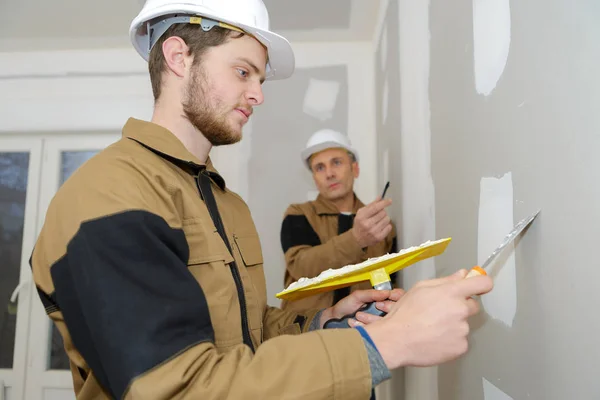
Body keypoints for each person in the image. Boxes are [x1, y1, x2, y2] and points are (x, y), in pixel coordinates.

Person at [30, 0, 494, 399]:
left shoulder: (225, 202)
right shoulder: (111, 193)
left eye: (260, 78)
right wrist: (387, 344)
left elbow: (243, 332)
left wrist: (323, 322)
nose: (257, 94)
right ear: (178, 57)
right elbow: (175, 388)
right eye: (242, 71)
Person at [280, 129, 397, 313]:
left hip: (365, 331)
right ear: (314, 179)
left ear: (355, 169)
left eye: (336, 162)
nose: (329, 174)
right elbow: (302, 267)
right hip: (309, 332)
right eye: (320, 167)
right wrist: (356, 240)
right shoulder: (298, 214)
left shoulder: (380, 226)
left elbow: (389, 284)